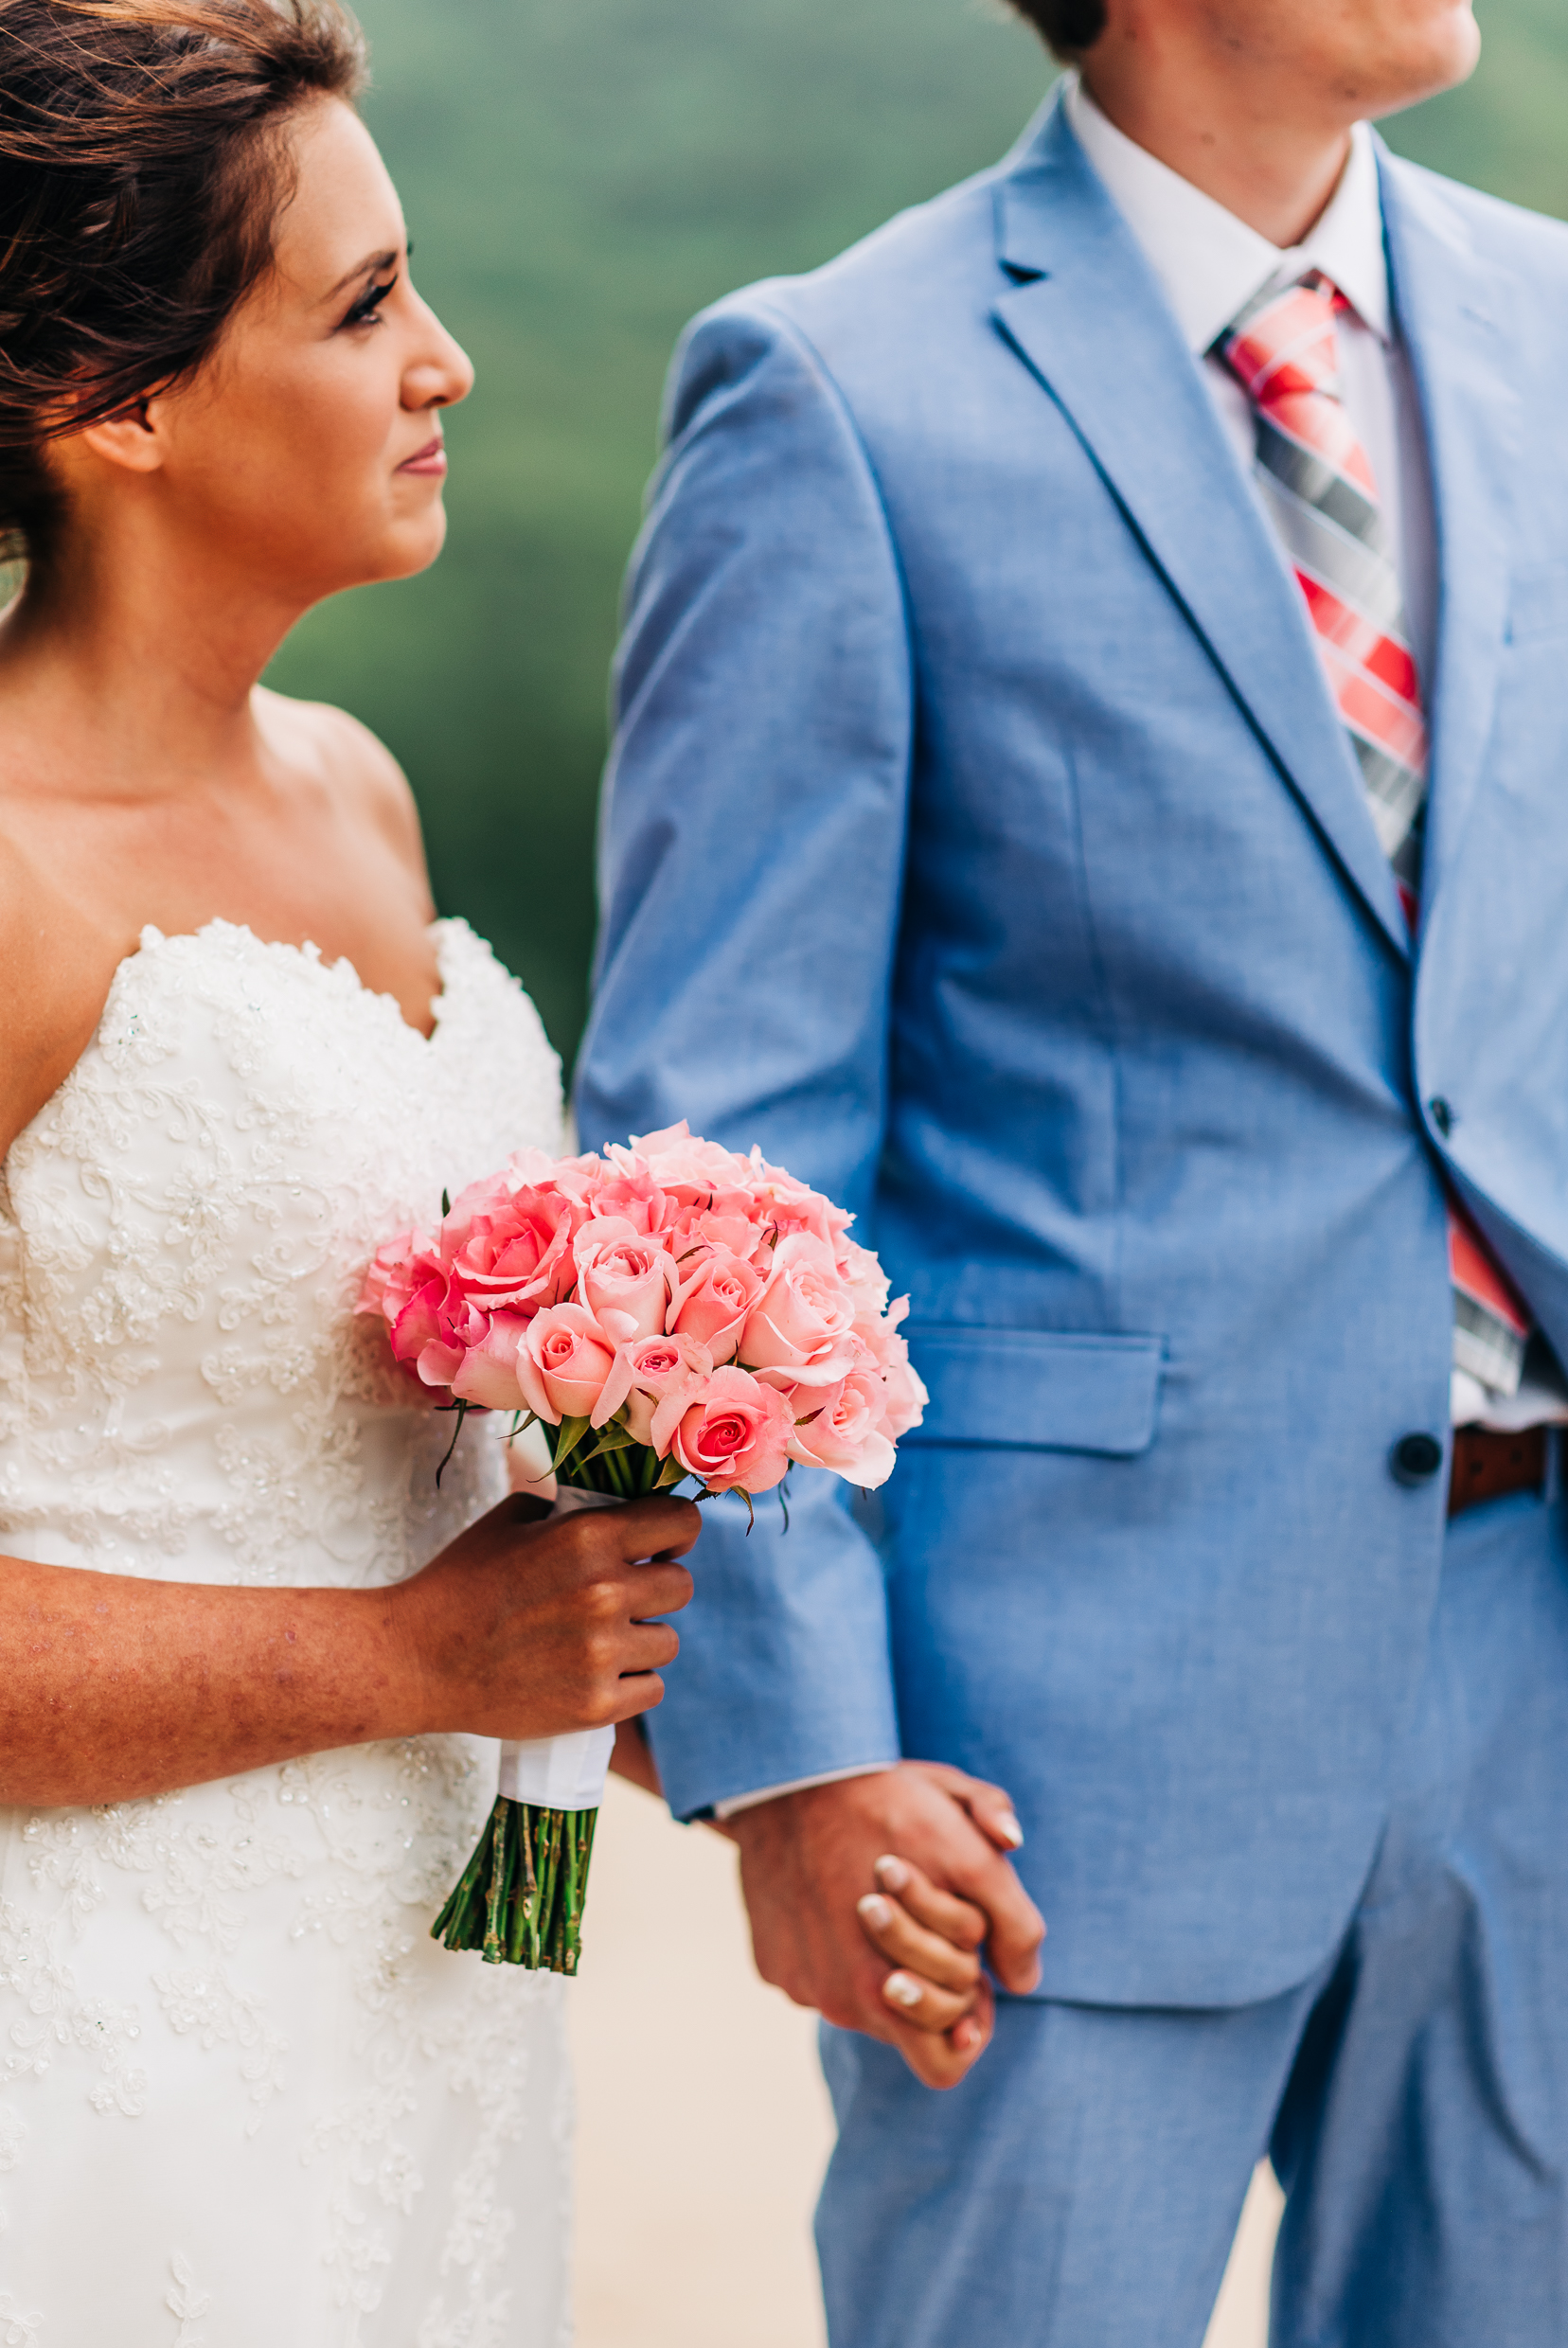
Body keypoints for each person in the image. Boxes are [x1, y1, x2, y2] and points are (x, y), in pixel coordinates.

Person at [576, 0, 1568, 2338]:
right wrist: (796, 1750)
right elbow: (716, 1150)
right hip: (1048, 1733)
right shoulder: (837, 389)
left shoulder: (1558, 325)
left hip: (1539, 1675)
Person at [0, 3, 698, 2337]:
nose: (452, 363)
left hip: (422, 2012)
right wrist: (407, 1651)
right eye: (366, 303)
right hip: (104, 2045)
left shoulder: (362, 792)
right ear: (125, 409)